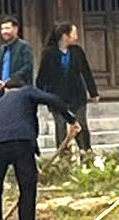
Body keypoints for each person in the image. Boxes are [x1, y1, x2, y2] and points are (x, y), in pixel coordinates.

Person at [0, 81, 71, 220]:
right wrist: (71, 119)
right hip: (21, 143)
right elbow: (54, 100)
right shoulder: (27, 92)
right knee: (27, 191)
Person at [35, 23, 99, 156]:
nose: (76, 36)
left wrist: (93, 92)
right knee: (60, 126)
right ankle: (63, 156)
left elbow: (86, 72)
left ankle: (85, 152)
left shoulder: (77, 51)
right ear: (65, 36)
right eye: (74, 33)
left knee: (81, 124)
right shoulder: (49, 53)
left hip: (77, 95)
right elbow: (42, 76)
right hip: (57, 97)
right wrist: (42, 95)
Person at [0, 16, 34, 91]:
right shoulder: (2, 48)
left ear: (16, 29)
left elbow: (27, 67)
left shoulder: (24, 46)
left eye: (7, 28)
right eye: (2, 29)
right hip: (4, 89)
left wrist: (11, 79)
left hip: (20, 88)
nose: (4, 31)